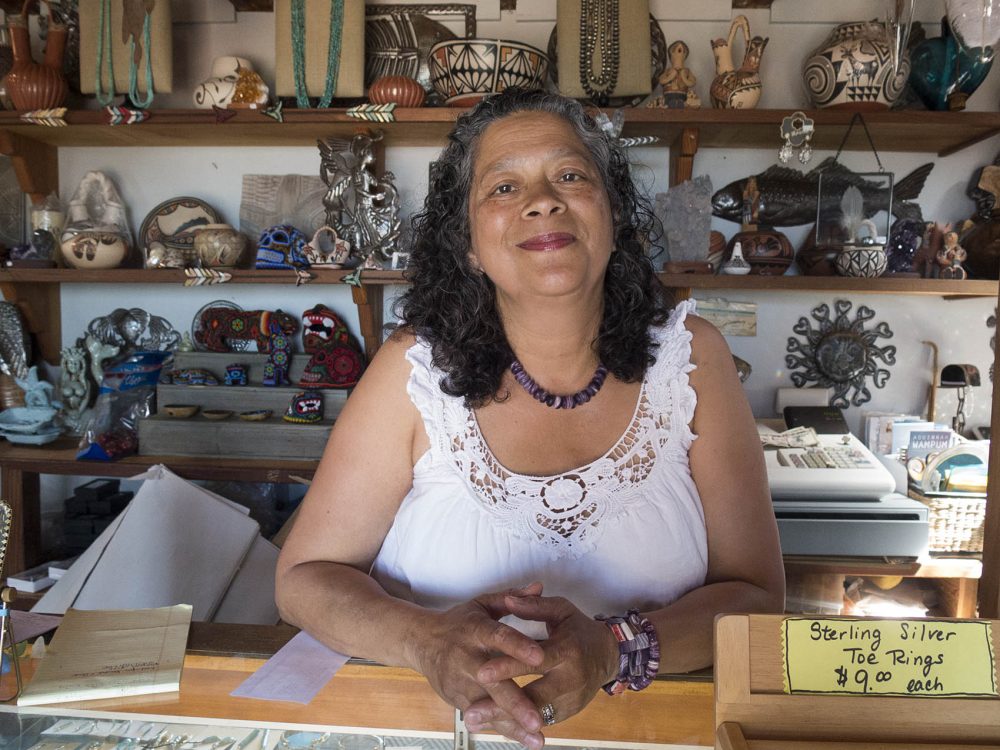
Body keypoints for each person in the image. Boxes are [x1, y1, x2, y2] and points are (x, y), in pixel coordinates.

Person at [276, 88, 784, 748]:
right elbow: (303, 581)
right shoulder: (412, 373)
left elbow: (756, 596)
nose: (542, 200)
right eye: (504, 187)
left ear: (613, 216)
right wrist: (425, 640)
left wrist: (613, 650)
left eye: (570, 175)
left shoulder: (694, 361)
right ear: (468, 246)